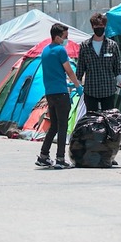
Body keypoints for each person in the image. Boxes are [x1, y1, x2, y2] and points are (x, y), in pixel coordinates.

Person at [36, 23, 83, 170]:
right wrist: (78, 86)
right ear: (57, 37)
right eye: (65, 37)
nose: (66, 40)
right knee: (63, 126)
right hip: (61, 94)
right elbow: (69, 71)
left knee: (54, 125)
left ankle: (44, 155)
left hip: (50, 93)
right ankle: (60, 158)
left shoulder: (45, 51)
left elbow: (53, 72)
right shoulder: (60, 50)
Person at [76, 12, 121, 112]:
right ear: (92, 27)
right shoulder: (85, 46)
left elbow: (118, 69)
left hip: (108, 90)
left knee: (108, 120)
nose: (99, 28)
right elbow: (80, 69)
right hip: (91, 91)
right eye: (96, 26)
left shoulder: (112, 45)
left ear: (105, 26)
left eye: (101, 26)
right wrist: (77, 87)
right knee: (92, 122)